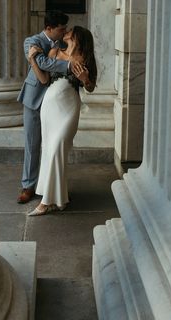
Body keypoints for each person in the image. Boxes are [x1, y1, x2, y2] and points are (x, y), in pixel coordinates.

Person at [26, 26, 97, 216]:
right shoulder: (55, 52)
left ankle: (45, 202)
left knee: (58, 147)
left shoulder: (86, 59)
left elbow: (90, 87)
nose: (66, 32)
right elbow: (43, 79)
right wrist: (32, 59)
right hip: (50, 107)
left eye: (70, 31)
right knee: (50, 151)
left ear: (77, 37)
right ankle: (59, 199)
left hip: (69, 109)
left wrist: (84, 79)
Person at [17, 10, 69, 204]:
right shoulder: (32, 41)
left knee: (53, 145)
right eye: (61, 29)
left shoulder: (64, 43)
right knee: (32, 144)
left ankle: (49, 187)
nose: (64, 32)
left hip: (56, 101)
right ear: (49, 28)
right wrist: (70, 66)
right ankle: (28, 186)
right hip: (34, 99)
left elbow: (50, 62)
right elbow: (43, 63)